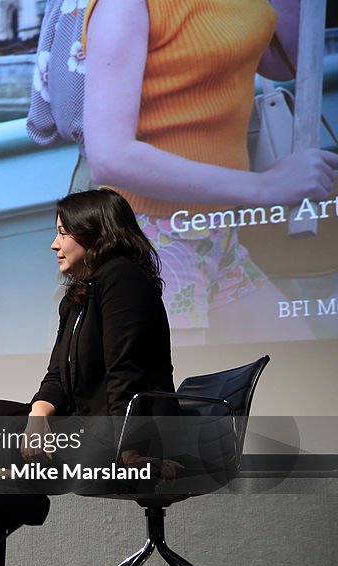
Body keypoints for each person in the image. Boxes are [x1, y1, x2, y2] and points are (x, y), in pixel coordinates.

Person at [0, 189, 176, 566]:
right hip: (82, 424)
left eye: (63, 232)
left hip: (122, 433)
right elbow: (56, 377)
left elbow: (125, 373)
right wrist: (39, 416)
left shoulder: (123, 278)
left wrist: (131, 450)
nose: (55, 243)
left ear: (95, 233)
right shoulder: (78, 297)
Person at [82, 0, 338, 343]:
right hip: (152, 237)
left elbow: (286, 62)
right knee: (173, 389)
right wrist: (264, 187)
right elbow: (110, 157)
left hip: (215, 233)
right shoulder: (124, 6)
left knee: (294, 364)